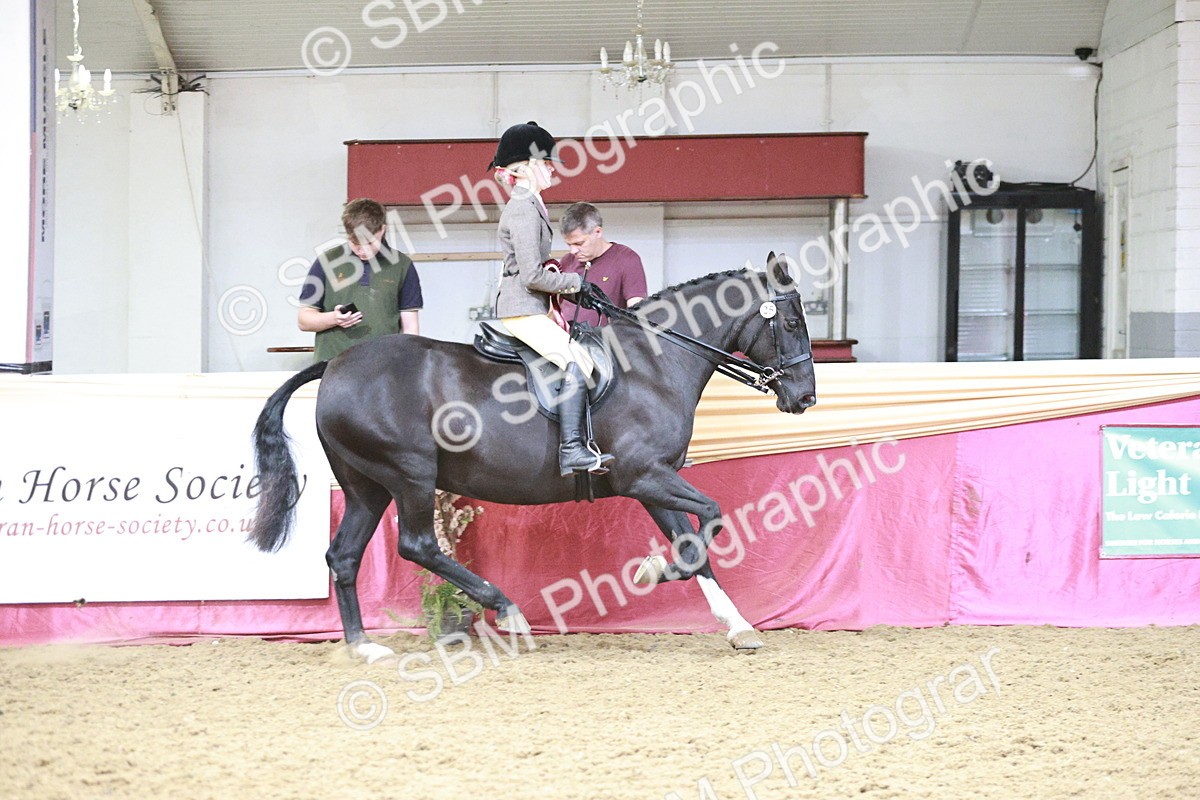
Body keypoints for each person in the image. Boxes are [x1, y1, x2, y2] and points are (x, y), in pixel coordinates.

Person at [490, 121, 613, 476]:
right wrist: (575, 283)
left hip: (531, 306)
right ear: (527, 166)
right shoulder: (523, 208)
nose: (552, 169)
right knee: (579, 360)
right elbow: (532, 275)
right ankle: (571, 450)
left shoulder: (531, 204)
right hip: (522, 308)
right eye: (546, 163)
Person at [297, 198, 422, 362]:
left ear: (382, 230)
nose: (363, 251)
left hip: (384, 367)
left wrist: (409, 363)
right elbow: (304, 320)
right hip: (332, 367)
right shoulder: (326, 261)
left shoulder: (402, 265)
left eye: (370, 243)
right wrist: (334, 318)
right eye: (355, 243)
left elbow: (410, 328)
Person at [556, 202, 647, 327]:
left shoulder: (626, 259)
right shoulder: (567, 261)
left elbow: (637, 313)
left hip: (606, 338)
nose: (573, 251)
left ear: (598, 232)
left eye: (579, 243)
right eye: (569, 245)